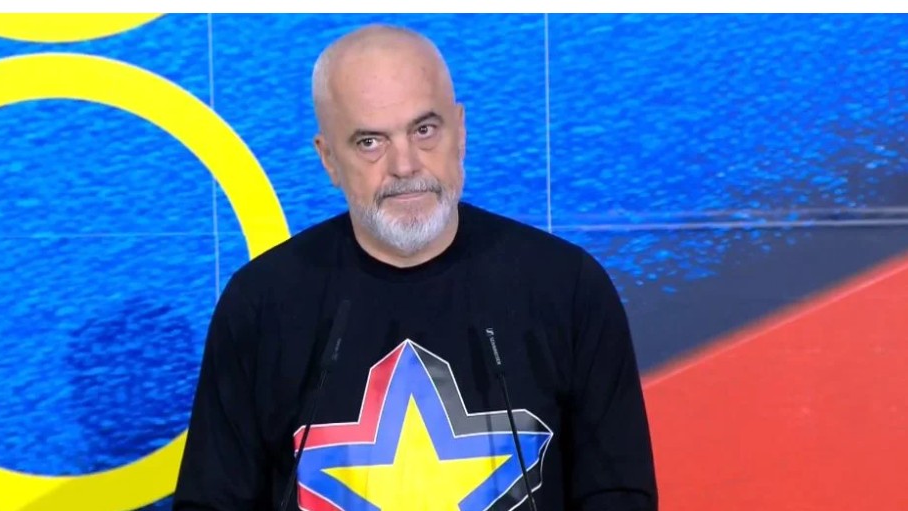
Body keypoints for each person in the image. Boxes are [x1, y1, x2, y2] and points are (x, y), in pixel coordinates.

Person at [173, 23, 657, 511]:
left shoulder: (567, 288)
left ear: (460, 131)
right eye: (370, 142)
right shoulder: (262, 304)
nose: (404, 166)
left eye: (424, 130)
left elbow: (618, 496)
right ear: (328, 159)